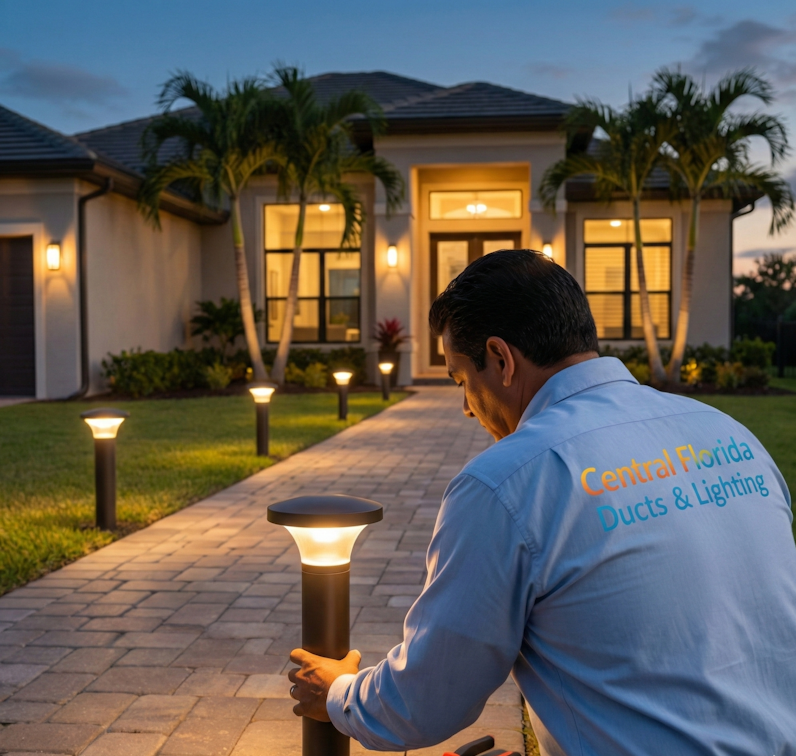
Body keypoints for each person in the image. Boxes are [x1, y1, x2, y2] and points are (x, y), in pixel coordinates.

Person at [288, 249, 796, 755]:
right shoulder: (730, 435)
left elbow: (425, 701)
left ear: (501, 359)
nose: (467, 407)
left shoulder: (507, 481)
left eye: (462, 379)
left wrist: (336, 692)